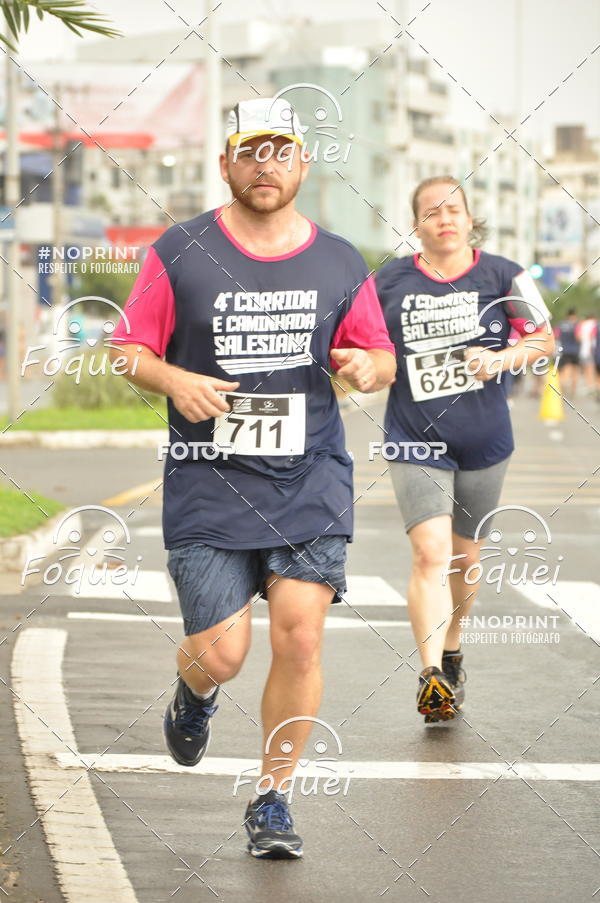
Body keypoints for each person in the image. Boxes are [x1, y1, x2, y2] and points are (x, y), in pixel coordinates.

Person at [110, 97, 396, 858]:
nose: (265, 164)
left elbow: (378, 354)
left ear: (303, 163)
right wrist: (174, 380)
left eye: (281, 151)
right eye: (250, 151)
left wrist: (371, 364)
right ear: (227, 164)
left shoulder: (338, 260)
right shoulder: (179, 250)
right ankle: (195, 690)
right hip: (209, 479)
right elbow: (128, 349)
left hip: (310, 479)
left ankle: (273, 797)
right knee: (224, 653)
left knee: (300, 637)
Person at [375, 175, 554, 723]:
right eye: (431, 212)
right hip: (414, 436)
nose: (444, 218)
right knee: (430, 553)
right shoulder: (390, 281)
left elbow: (544, 339)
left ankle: (452, 645)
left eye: (453, 209)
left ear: (470, 217)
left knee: (465, 557)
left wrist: (500, 359)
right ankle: (431, 675)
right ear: (416, 225)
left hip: (485, 440)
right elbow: (362, 343)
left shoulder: (503, 274)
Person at [555, 308, 581, 397]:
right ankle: (573, 391)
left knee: (565, 370)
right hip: (574, 350)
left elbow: (556, 336)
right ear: (575, 315)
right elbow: (578, 337)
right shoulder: (576, 324)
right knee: (575, 371)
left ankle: (562, 388)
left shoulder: (560, 324)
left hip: (564, 350)